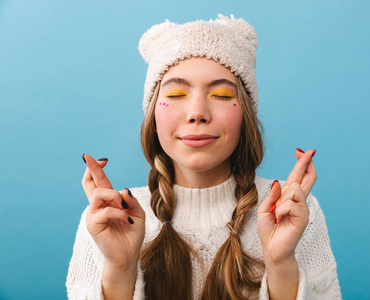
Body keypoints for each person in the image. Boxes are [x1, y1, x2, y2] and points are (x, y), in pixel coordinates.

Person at [66, 14, 342, 300]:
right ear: (153, 118)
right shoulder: (109, 219)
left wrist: (280, 264)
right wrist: (119, 268)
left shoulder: (293, 211)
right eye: (175, 94)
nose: (197, 112)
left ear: (245, 116)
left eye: (222, 94)